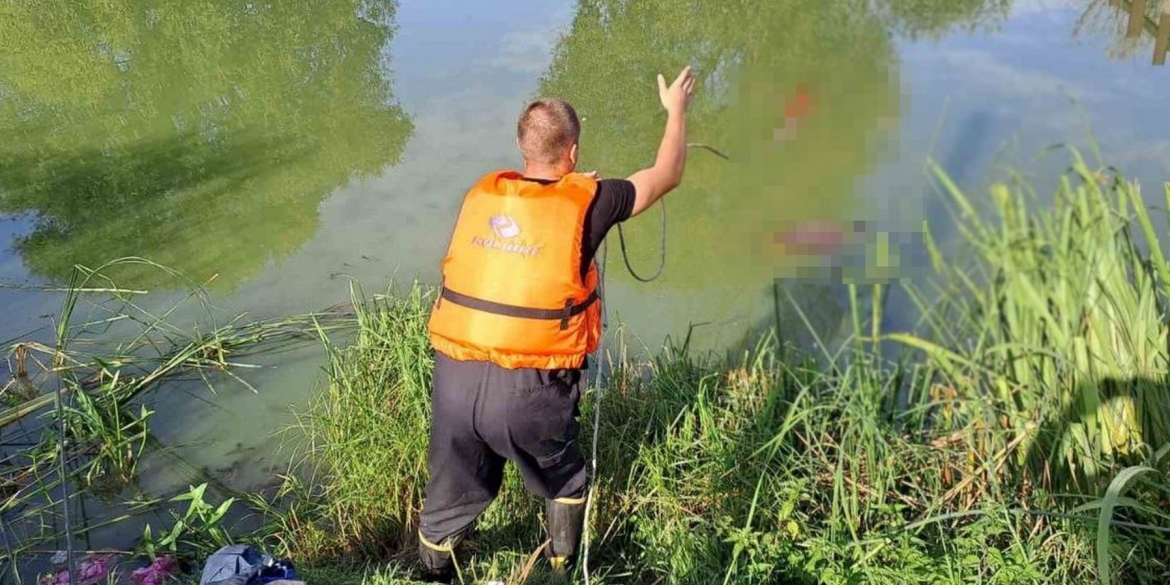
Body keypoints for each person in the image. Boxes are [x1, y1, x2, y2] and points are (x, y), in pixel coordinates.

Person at [415, 65, 697, 583]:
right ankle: (560, 565)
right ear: (571, 153)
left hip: (454, 379)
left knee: (449, 490)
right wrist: (675, 110)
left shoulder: (484, 196)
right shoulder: (593, 200)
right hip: (529, 390)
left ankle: (432, 573)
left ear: (523, 147)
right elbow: (667, 173)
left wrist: (568, 189)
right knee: (563, 479)